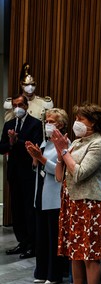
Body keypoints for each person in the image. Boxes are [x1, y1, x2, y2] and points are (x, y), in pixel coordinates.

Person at [52, 102, 101, 284]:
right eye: (75, 118)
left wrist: (64, 151)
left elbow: (80, 173)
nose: (76, 123)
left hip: (89, 205)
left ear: (93, 123)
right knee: (75, 255)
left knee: (90, 257)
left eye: (81, 119)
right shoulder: (76, 142)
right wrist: (59, 153)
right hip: (72, 202)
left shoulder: (99, 144)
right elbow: (60, 175)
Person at [25, 108, 70, 284]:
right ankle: (41, 272)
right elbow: (38, 170)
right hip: (40, 195)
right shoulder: (45, 144)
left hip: (55, 197)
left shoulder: (66, 143)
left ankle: (54, 274)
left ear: (61, 124)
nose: (48, 125)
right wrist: (35, 159)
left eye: (52, 121)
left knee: (53, 238)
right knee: (41, 237)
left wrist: (42, 160)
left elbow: (61, 171)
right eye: (47, 121)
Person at [0, 94, 43, 257]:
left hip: (29, 172)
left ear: (26, 106)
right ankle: (22, 241)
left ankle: (32, 244)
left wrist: (16, 141)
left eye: (20, 105)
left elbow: (34, 146)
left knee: (28, 209)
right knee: (16, 209)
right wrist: (10, 143)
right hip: (14, 172)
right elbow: (2, 146)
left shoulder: (36, 124)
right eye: (15, 105)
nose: (17, 108)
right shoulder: (9, 124)